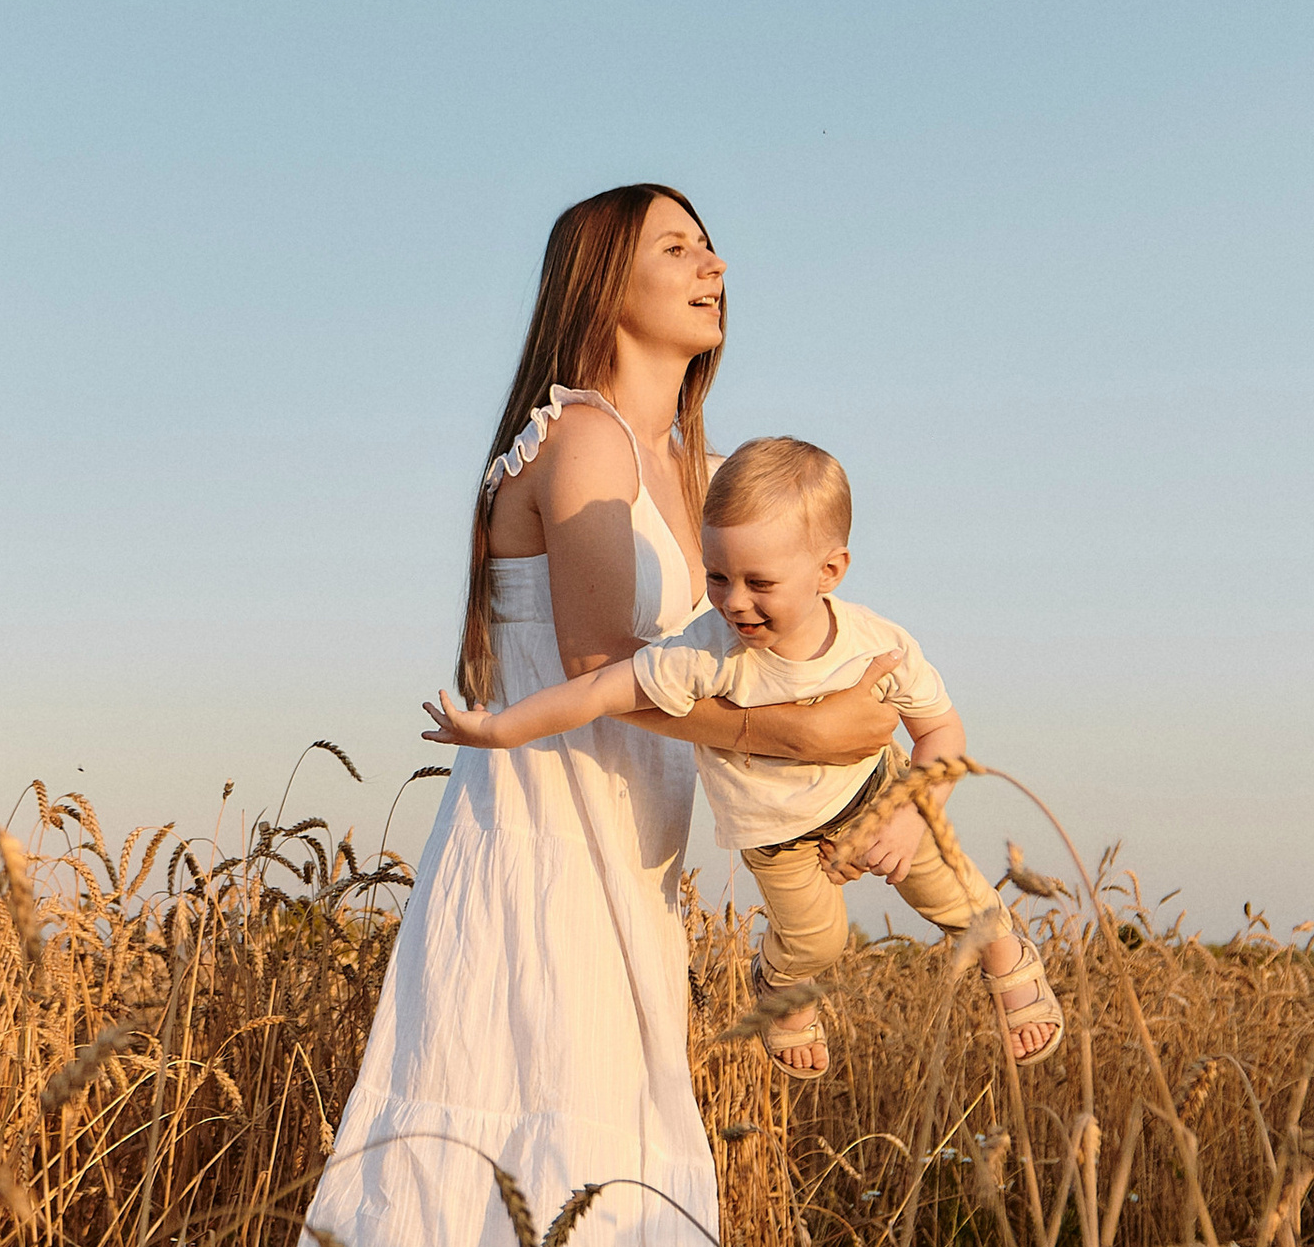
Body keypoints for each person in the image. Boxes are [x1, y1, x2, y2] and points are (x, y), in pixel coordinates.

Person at [270, 188, 904, 1247]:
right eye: (678, 243)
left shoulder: (677, 455)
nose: (714, 262)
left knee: (610, 1202)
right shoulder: (581, 442)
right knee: (558, 1216)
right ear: (602, 274)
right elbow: (634, 670)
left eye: (714, 244)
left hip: (616, 870)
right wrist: (816, 731)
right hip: (545, 876)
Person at [425, 432, 1065, 1080]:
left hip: (877, 794)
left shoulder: (877, 644)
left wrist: (910, 812)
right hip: (777, 834)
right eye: (717, 576)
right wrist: (501, 728)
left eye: (759, 582)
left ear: (829, 571)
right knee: (818, 940)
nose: (733, 600)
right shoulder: (708, 651)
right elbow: (599, 688)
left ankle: (1008, 958)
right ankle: (782, 984)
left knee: (956, 894)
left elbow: (942, 731)